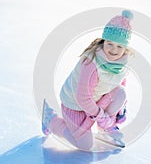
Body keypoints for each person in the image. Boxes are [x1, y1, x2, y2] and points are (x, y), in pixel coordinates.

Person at [42, 10, 134, 150]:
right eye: (110, 43)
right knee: (85, 145)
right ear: (104, 41)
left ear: (125, 48)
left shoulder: (122, 61)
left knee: (121, 93)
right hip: (75, 105)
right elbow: (82, 98)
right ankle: (51, 120)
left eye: (119, 46)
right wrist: (103, 118)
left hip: (96, 100)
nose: (114, 50)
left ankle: (104, 132)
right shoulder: (91, 63)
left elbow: (120, 82)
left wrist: (121, 108)